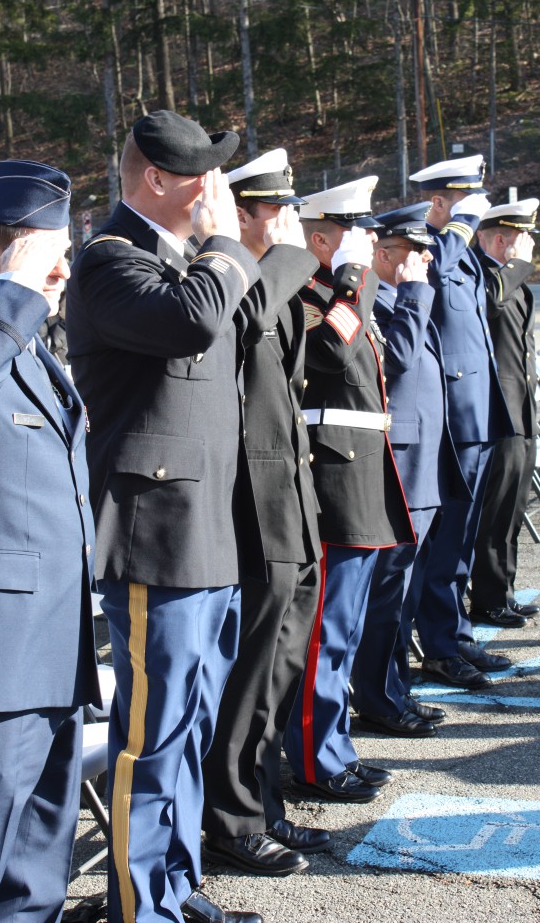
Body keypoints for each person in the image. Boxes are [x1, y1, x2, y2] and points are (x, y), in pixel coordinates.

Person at [66, 111, 264, 923]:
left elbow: (242, 328)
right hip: (157, 535)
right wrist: (225, 244)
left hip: (207, 529)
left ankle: (176, 893)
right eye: (203, 174)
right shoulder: (112, 262)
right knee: (148, 741)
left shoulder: (184, 262)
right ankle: (136, 907)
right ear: (155, 179)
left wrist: (228, 251)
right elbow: (193, 321)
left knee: (188, 729)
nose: (216, 187)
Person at [0, 159, 101, 923]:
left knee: (34, 885)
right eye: (44, 251)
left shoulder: (27, 342)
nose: (62, 268)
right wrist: (14, 291)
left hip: (52, 658)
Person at [202, 149, 327, 877]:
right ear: (237, 213)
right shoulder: (223, 277)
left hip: (291, 499)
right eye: (275, 211)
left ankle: (264, 803)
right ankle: (232, 820)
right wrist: (284, 254)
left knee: (279, 669)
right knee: (248, 673)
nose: (290, 224)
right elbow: (241, 324)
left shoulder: (270, 278)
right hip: (249, 509)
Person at [283, 177, 415, 802]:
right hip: (331, 476)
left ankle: (333, 745)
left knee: (347, 628)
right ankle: (314, 759)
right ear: (318, 239)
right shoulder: (305, 293)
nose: (362, 243)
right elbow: (328, 359)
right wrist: (355, 280)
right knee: (324, 633)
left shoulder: (337, 292)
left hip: (359, 471)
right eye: (350, 233)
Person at [350, 203, 470, 737]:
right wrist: (417, 294)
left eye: (427, 253)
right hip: (396, 467)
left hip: (422, 467)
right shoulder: (374, 300)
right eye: (413, 253)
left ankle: (394, 688)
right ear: (382, 254)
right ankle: (378, 698)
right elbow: (393, 362)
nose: (424, 262)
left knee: (406, 591)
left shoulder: (407, 299)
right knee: (386, 596)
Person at [406, 155, 516, 689]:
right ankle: (441, 646)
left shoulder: (464, 253)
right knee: (443, 539)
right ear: (439, 202)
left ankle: (457, 635)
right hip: (449, 421)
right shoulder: (427, 246)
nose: (475, 207)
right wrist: (460, 226)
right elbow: (428, 276)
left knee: (462, 540)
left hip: (477, 414)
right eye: (464, 198)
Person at [469, 198, 540, 627]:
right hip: (498, 413)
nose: (528, 248)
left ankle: (503, 592)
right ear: (500, 239)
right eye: (522, 238)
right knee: (493, 513)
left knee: (512, 510)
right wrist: (517, 268)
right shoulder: (482, 273)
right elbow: (490, 304)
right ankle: (488, 600)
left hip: (522, 411)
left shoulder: (509, 278)